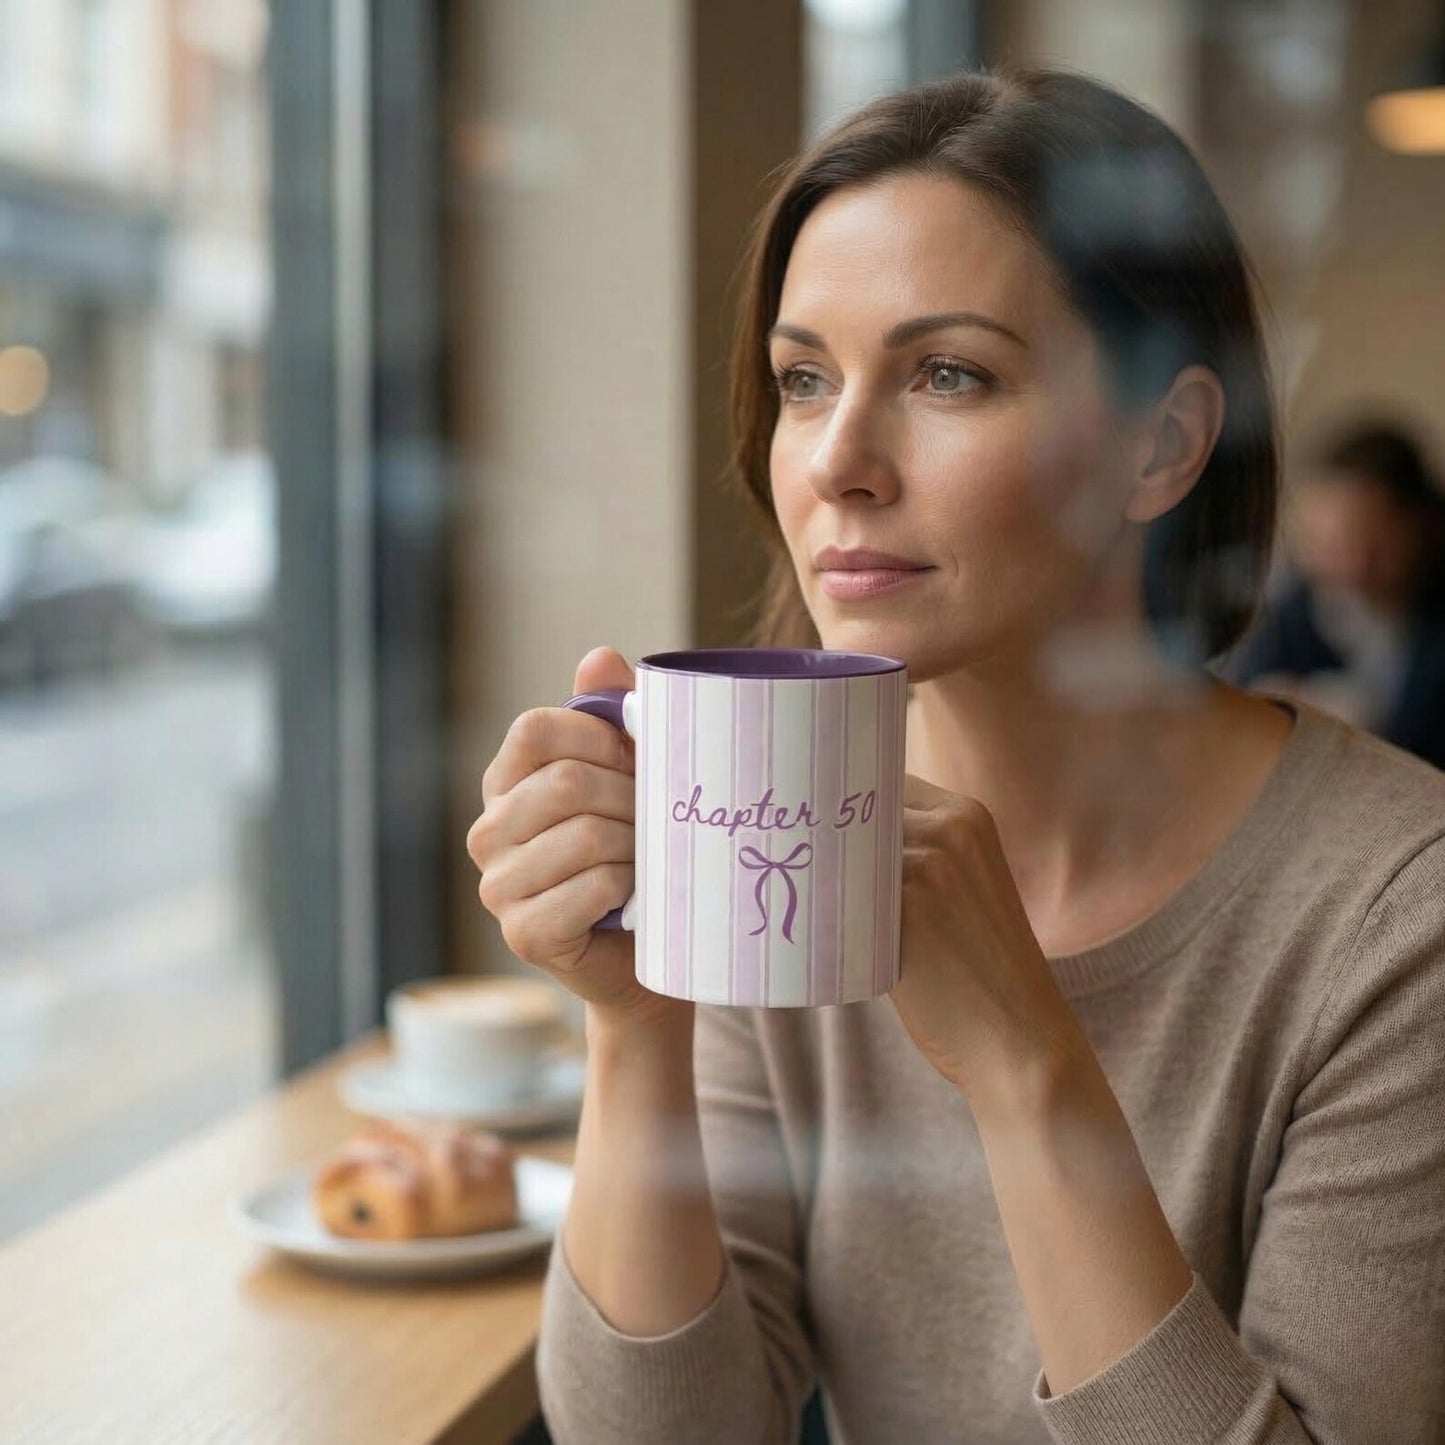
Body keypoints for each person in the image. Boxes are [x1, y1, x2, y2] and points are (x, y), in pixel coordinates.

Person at [467, 67, 1445, 1444]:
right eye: (804, 380)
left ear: (1160, 447)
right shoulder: (773, 828)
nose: (837, 462)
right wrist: (634, 1027)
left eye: (947, 373)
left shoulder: (1400, 919)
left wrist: (1028, 1070)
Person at [1221, 422, 1445, 769]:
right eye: (1332, 545)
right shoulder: (1296, 610)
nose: (1354, 565)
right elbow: (1246, 705)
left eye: (1374, 542)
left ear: (1420, 524)